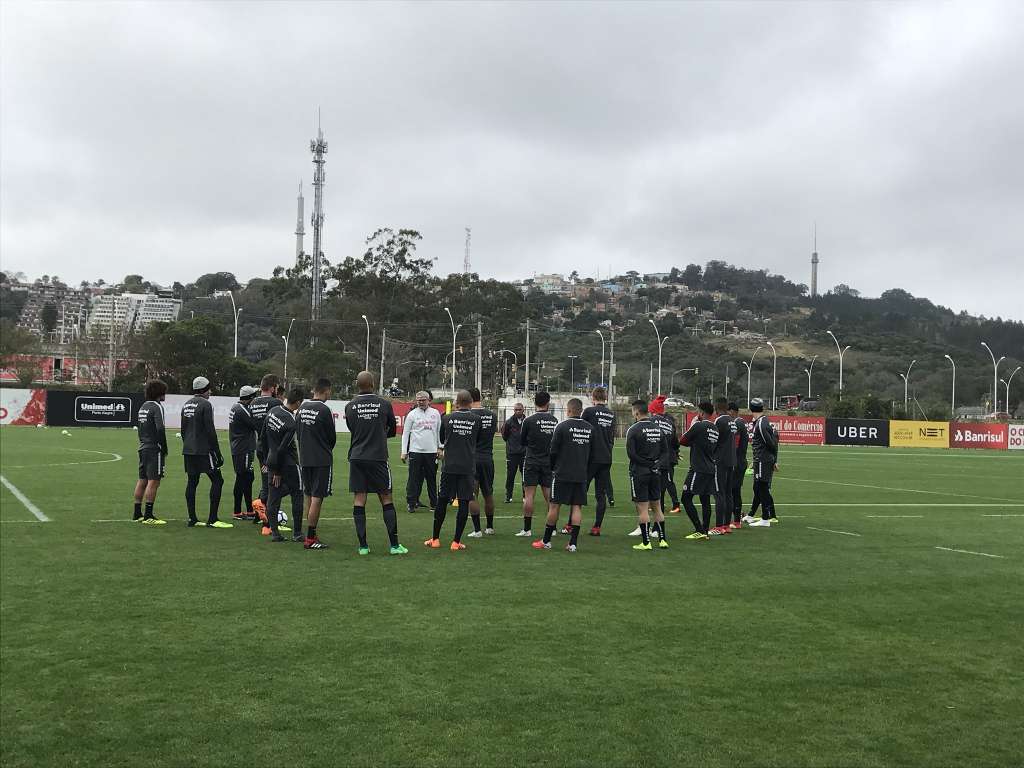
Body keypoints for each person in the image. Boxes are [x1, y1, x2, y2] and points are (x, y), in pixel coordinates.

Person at [344, 371, 407, 555]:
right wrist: (379, 434)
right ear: (373, 383)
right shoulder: (384, 404)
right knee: (386, 498)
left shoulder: (350, 406)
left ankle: (363, 546)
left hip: (356, 456)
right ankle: (394, 545)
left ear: (357, 385)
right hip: (378, 457)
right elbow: (392, 431)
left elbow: (352, 429)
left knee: (359, 499)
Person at [532, 397, 592, 552]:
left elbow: (553, 451)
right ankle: (573, 543)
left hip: (562, 472)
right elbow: (592, 452)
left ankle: (546, 541)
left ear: (569, 410)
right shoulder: (589, 428)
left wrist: (552, 467)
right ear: (581, 411)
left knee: (554, 505)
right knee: (577, 506)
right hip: (580, 473)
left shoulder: (562, 427)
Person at [425, 390, 481, 551]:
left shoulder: (447, 418)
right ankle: (456, 542)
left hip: (449, 466)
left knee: (442, 500)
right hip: (467, 466)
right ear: (470, 403)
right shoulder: (476, 420)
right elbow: (477, 440)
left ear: (456, 403)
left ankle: (435, 539)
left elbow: (442, 439)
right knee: (464, 502)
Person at [181, 376, 230, 528]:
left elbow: (183, 430)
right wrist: (217, 452)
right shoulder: (206, 405)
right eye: (209, 389)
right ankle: (213, 518)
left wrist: (188, 444)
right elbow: (210, 430)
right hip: (204, 450)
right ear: (203, 390)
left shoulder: (186, 404)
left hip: (188, 450)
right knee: (218, 480)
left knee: (192, 482)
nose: (210, 391)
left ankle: (192, 518)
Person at [296, 378, 336, 548]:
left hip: (305, 458)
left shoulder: (301, 408)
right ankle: (310, 538)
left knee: (308, 495)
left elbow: (297, 432)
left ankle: (310, 533)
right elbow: (331, 437)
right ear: (327, 391)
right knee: (317, 497)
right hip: (321, 460)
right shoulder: (324, 409)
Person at [625, 399, 668, 551]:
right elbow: (665, 452)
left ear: (636, 412)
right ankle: (663, 540)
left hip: (639, 472)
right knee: (657, 506)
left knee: (643, 508)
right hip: (656, 472)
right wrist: (656, 464)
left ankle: (646, 542)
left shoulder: (633, 429)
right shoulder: (658, 428)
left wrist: (646, 464)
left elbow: (631, 454)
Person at [516, 391, 558, 537]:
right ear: (548, 403)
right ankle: (552, 528)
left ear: (535, 403)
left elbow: (522, 441)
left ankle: (527, 529)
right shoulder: (554, 421)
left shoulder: (528, 421)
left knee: (529, 496)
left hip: (532, 460)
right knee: (550, 496)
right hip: (548, 462)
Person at [263, 388, 302, 543]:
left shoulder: (272, 411)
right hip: (288, 463)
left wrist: (266, 460)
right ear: (298, 402)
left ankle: (274, 533)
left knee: (273, 497)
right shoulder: (291, 421)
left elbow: (263, 438)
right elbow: (282, 448)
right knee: (298, 493)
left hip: (271, 460)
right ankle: (298, 533)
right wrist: (278, 471)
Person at [678, 402, 719, 539]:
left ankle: (699, 529)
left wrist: (693, 428)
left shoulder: (699, 425)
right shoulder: (715, 428)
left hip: (698, 468)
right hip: (710, 468)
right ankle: (705, 531)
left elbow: (683, 440)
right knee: (705, 499)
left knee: (686, 497)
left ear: (701, 413)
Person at [133, 379, 169, 525]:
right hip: (154, 448)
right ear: (159, 393)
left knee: (142, 480)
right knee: (154, 481)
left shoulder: (143, 406)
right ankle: (148, 515)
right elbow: (160, 428)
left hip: (143, 447)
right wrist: (164, 446)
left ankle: (137, 513)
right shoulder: (156, 406)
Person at [248, 374, 283, 525]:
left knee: (265, 481)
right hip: (273, 448)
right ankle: (269, 522)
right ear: (273, 387)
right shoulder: (275, 403)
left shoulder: (253, 403)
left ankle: (259, 515)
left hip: (260, 446)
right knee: (275, 484)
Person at [582, 387, 615, 536]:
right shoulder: (611, 414)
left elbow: (581, 430)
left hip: (591, 458)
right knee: (600, 495)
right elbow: (611, 437)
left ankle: (570, 524)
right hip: (606, 457)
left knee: (581, 490)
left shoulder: (589, 411)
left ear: (593, 397)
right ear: (605, 398)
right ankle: (597, 527)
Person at [401, 390, 441, 513]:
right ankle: (411, 503)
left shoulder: (435, 413)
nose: (421, 402)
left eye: (423, 400)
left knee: (431, 479)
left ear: (429, 400)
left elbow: (439, 431)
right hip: (415, 451)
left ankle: (434, 503)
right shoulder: (412, 414)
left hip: (431, 452)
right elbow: (405, 434)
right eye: (418, 400)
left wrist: (440, 447)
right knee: (413, 479)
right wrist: (404, 451)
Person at [467, 387, 498, 536]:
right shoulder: (492, 415)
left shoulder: (469, 415)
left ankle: (477, 529)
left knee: (472, 494)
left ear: (469, 399)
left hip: (472, 458)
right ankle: (490, 527)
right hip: (487, 458)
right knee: (488, 493)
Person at [228, 385, 260, 522]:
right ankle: (237, 511)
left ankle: (249, 510)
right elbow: (256, 424)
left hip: (240, 448)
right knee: (242, 478)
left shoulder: (237, 407)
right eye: (255, 396)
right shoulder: (242, 410)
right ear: (250, 398)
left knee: (248, 478)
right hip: (243, 448)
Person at [747, 398, 780, 527]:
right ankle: (761, 516)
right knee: (759, 488)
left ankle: (766, 518)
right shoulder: (762, 421)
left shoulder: (761, 423)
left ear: (751, 408)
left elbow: (771, 443)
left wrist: (772, 460)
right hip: (761, 459)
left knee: (762, 488)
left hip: (763, 460)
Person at [711, 397, 738, 534]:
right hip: (731, 460)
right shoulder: (732, 421)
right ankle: (727, 525)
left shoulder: (719, 420)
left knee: (719, 493)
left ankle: (718, 526)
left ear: (716, 408)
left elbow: (714, 440)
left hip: (720, 461)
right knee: (728, 493)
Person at [651, 395, 681, 515]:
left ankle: (676, 504)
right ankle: (656, 505)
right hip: (668, 457)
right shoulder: (668, 421)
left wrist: (676, 452)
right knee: (662, 484)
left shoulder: (662, 421)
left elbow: (672, 442)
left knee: (668, 482)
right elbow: (675, 442)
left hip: (666, 459)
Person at [500, 402, 526, 503]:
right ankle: (508, 496)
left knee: (525, 476)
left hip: (524, 454)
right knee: (510, 476)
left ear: (523, 410)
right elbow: (504, 436)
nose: (518, 411)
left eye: (519, 409)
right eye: (516, 410)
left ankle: (525, 496)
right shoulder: (509, 422)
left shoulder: (527, 421)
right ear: (513, 410)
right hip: (512, 454)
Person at [729, 402, 750, 526]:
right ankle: (738, 516)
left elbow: (735, 445)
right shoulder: (740, 422)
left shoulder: (737, 423)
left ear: (732, 411)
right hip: (740, 461)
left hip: (736, 462)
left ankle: (737, 520)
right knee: (734, 491)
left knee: (733, 491)